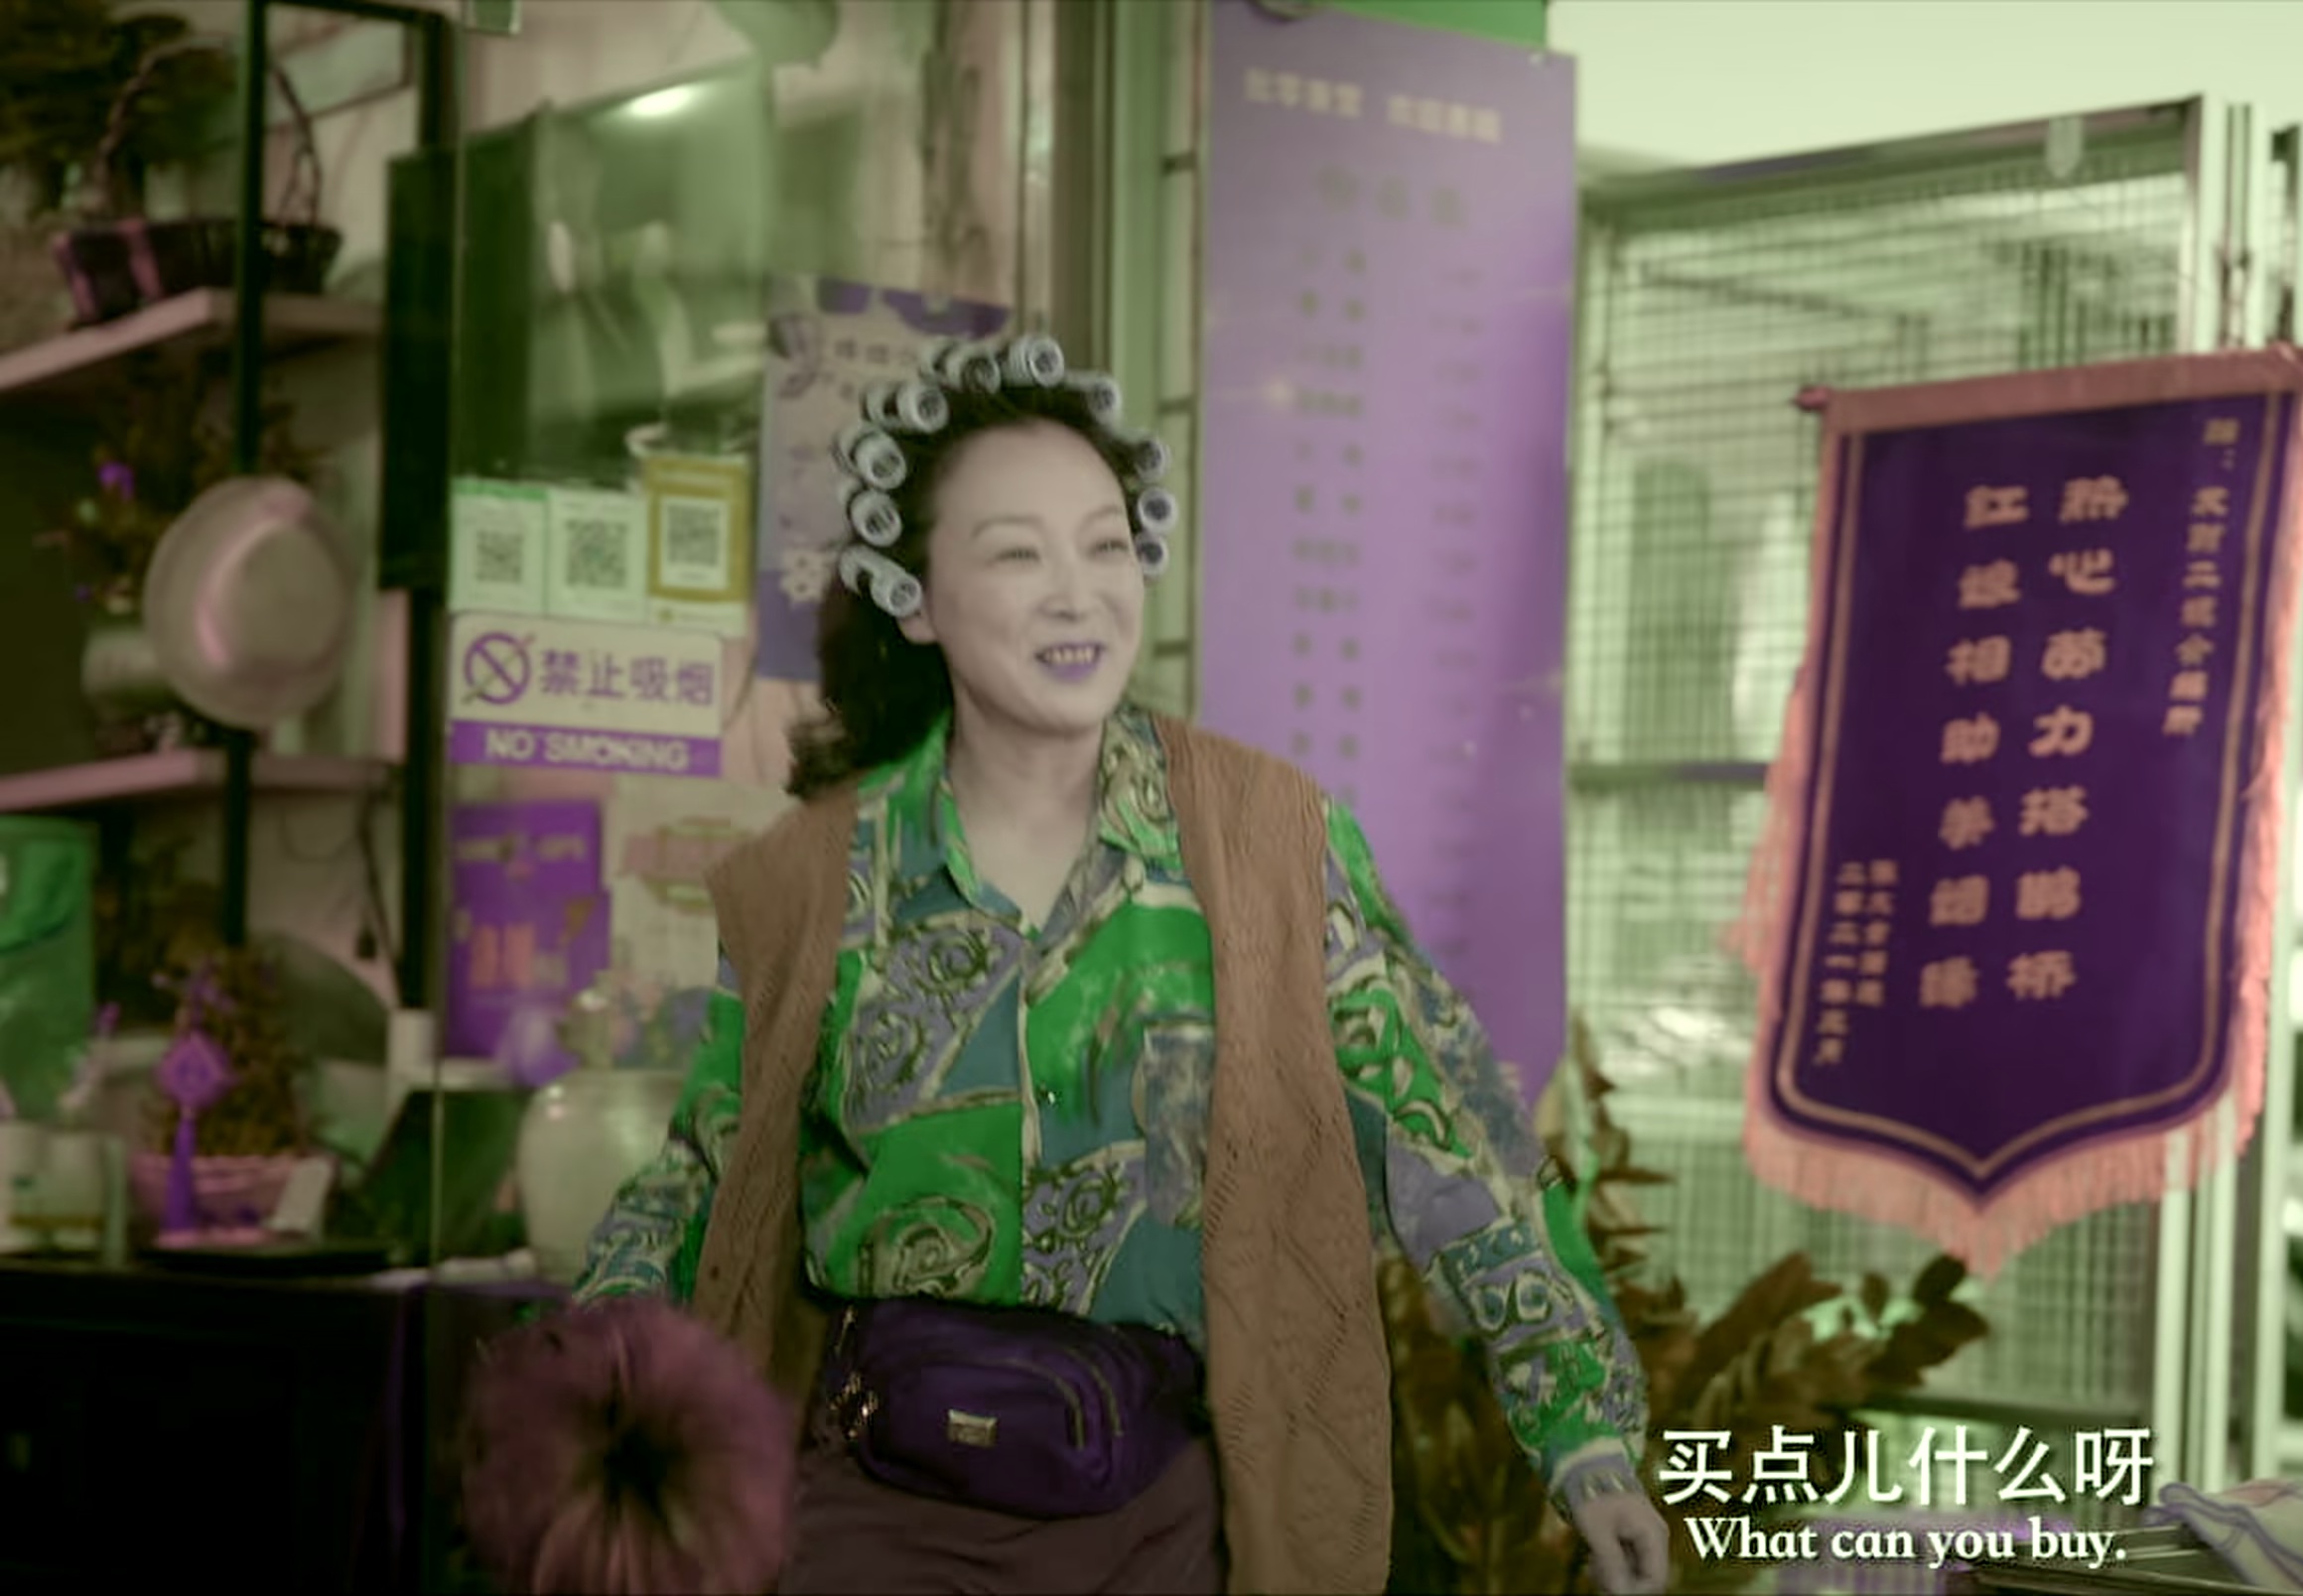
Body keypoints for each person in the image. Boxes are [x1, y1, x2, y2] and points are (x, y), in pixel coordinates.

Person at [569, 333, 1670, 1595]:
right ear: (915, 599)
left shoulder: (1271, 849)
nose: (1077, 594)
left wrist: (1582, 1433)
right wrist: (579, 1383)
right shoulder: (810, 883)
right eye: (1017, 554)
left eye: (1105, 546)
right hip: (875, 1523)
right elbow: (709, 1168)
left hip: (1167, 1523)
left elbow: (1451, 1138)